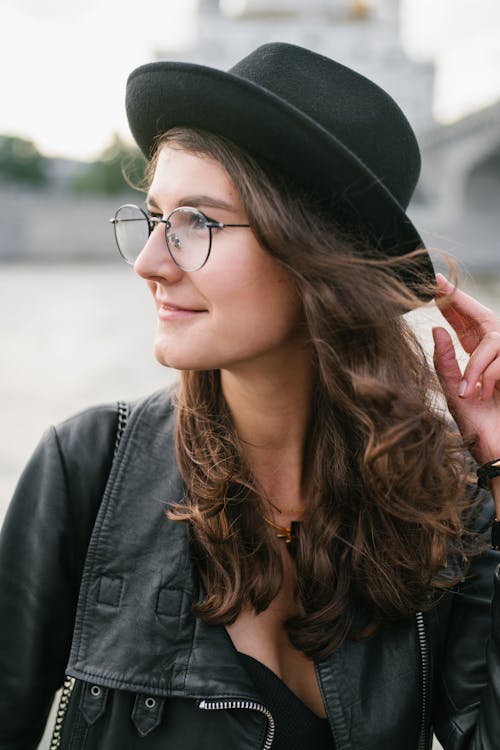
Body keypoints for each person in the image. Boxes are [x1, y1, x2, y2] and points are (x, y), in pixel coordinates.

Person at [0, 42, 499, 750]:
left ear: (315, 254)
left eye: (197, 222)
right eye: (153, 217)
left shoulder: (445, 503)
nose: (149, 263)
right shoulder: (87, 473)